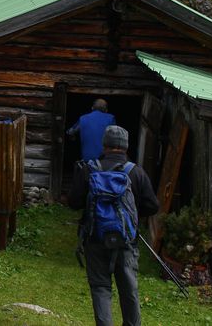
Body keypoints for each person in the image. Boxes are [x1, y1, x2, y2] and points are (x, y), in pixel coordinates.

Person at [68, 125, 159, 326]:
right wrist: (132, 214)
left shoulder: (89, 169)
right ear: (126, 147)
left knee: (101, 288)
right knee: (129, 289)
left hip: (95, 238)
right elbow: (153, 206)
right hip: (126, 241)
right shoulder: (135, 172)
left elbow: (73, 202)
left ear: (105, 145)